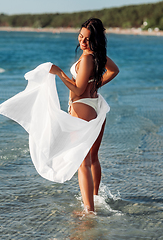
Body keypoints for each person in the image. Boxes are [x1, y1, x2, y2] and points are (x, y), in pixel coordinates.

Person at [49, 18, 119, 213]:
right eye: (81, 36)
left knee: (83, 162)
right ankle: (95, 199)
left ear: (95, 40)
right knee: (93, 158)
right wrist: (96, 85)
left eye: (87, 39)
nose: (82, 42)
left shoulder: (87, 58)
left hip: (82, 107)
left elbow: (78, 90)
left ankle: (89, 211)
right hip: (96, 106)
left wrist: (59, 73)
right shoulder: (98, 56)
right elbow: (114, 70)